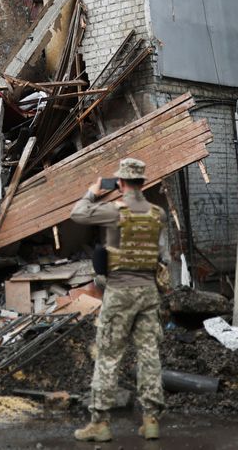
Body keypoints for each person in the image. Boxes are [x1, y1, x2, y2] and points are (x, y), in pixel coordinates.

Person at [70, 158, 168, 442]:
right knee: (149, 354)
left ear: (121, 183)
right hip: (148, 290)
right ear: (143, 183)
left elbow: (78, 213)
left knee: (108, 356)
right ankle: (151, 420)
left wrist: (93, 191)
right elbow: (158, 252)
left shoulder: (114, 211)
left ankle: (100, 424)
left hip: (120, 291)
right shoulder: (158, 213)